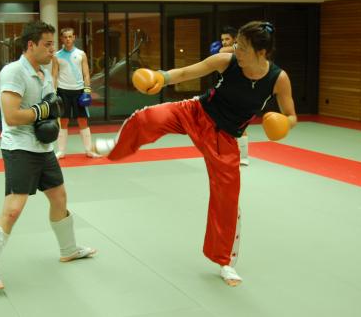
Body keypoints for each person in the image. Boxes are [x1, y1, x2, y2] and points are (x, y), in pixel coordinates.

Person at [93, 21, 297, 287]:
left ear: (262, 53)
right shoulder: (227, 61)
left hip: (225, 138)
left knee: (227, 199)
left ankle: (224, 262)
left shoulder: (278, 79)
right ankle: (117, 146)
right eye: (236, 44)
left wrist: (285, 124)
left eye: (243, 48)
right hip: (197, 113)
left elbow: (291, 114)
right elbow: (187, 72)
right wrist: (160, 77)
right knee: (148, 117)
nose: (236, 50)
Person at [0, 21, 96, 292]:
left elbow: (51, 105)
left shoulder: (43, 71)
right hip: (19, 149)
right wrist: (43, 111)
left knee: (59, 197)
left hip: (43, 150)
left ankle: (69, 249)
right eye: (48, 44)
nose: (53, 49)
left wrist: (52, 109)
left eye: (54, 44)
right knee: (13, 209)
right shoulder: (13, 72)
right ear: (31, 45)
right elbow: (12, 116)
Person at [52, 28, 100, 158]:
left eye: (70, 36)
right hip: (63, 91)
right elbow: (54, 76)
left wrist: (87, 91)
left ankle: (89, 150)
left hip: (79, 91)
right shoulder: (57, 56)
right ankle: (61, 151)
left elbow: (86, 74)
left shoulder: (81, 54)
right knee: (63, 121)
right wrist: (53, 93)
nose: (68, 39)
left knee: (83, 120)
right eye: (65, 37)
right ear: (62, 39)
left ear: (74, 37)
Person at [211, 26, 249, 166]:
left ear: (234, 39)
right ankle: (223, 153)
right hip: (225, 90)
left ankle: (244, 156)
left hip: (242, 90)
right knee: (218, 123)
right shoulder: (226, 54)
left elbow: (221, 50)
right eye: (222, 39)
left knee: (240, 125)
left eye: (227, 39)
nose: (224, 42)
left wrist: (222, 49)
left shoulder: (241, 47)